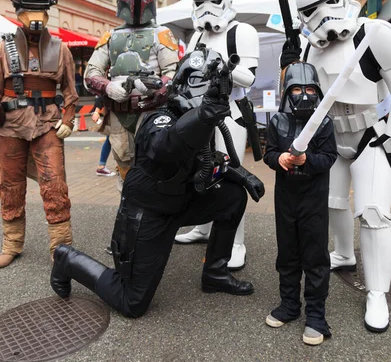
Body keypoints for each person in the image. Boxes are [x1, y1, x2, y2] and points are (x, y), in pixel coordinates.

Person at [50, 47, 265, 318]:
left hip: (181, 202)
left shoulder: (204, 121)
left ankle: (215, 273)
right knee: (132, 302)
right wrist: (202, 117)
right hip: (148, 212)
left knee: (233, 196)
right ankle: (67, 259)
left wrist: (242, 175)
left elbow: (209, 159)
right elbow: (165, 147)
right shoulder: (158, 117)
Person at [280, 0, 391, 333]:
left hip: (371, 136)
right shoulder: (305, 49)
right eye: (311, 12)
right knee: (331, 204)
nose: (322, 17)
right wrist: (288, 67)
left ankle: (377, 292)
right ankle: (343, 254)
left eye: (327, 4)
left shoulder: (375, 34)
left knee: (375, 212)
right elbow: (299, 101)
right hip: (329, 140)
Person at [175, 0, 260, 270]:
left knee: (229, 175)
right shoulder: (196, 37)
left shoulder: (242, 32)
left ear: (226, 0)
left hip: (230, 111)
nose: (206, 10)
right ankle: (203, 227)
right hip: (199, 113)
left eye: (213, 2)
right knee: (199, 170)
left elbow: (249, 78)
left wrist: (221, 65)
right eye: (200, 4)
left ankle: (235, 242)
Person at [0, 0, 78, 268]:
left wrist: (68, 119)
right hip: (10, 126)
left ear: (47, 14)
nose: (36, 18)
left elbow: (70, 91)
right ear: (19, 14)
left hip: (47, 126)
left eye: (41, 12)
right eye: (31, 11)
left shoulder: (62, 49)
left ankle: (61, 249)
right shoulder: (2, 48)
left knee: (55, 184)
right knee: (9, 185)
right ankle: (12, 243)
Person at [264, 62, 337, 345]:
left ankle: (316, 315)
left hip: (314, 200)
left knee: (315, 256)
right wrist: (278, 159)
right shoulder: (277, 122)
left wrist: (308, 161)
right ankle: (290, 304)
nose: (303, 95)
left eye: (309, 89)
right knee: (288, 253)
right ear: (286, 92)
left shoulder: (325, 124)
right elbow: (269, 153)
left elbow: (329, 159)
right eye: (296, 88)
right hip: (285, 200)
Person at [84, 0, 179, 190]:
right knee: (125, 170)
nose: (136, 7)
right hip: (119, 113)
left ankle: (153, 217)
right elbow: (91, 74)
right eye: (132, 1)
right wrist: (108, 87)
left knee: (153, 167)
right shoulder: (111, 36)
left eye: (142, 1)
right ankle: (129, 215)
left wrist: (155, 88)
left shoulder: (161, 34)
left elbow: (173, 75)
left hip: (150, 112)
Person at [90, 95, 115, 177]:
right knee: (110, 138)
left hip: (118, 114)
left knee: (110, 139)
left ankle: (102, 166)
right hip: (115, 115)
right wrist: (96, 112)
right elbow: (102, 96)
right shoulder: (110, 86)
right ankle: (101, 166)